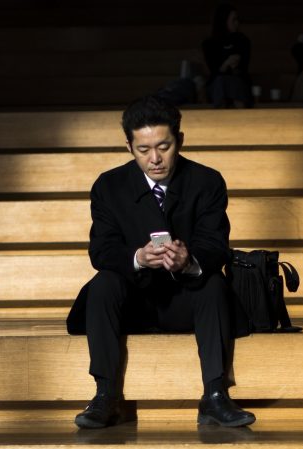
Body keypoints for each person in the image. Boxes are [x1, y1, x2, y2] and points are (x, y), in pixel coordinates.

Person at [66, 95, 254, 429]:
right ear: (129, 146)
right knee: (104, 283)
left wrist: (189, 260)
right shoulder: (109, 186)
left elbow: (216, 245)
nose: (155, 159)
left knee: (212, 282)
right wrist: (137, 258)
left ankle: (215, 395)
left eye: (164, 146)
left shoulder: (206, 181)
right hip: (134, 302)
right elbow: (102, 251)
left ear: (179, 140)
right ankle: (105, 395)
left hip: (186, 301)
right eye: (143, 150)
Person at [201, 4, 253, 108]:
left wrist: (229, 67)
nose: (237, 23)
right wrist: (226, 63)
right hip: (217, 85)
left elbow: (242, 69)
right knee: (220, 82)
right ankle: (220, 115)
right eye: (233, 20)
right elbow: (214, 71)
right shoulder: (209, 43)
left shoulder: (243, 40)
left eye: (237, 19)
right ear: (223, 21)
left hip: (238, 82)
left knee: (235, 82)